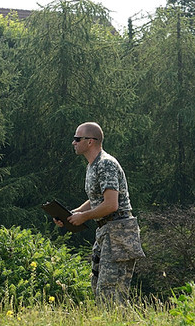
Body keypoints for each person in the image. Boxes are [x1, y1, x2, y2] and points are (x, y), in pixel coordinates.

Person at [54, 122, 145, 304]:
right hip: (107, 232)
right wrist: (72, 214)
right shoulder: (92, 166)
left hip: (119, 233)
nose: (73, 143)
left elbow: (111, 204)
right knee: (99, 289)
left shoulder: (106, 164)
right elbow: (97, 199)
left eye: (77, 139)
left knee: (110, 295)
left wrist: (84, 217)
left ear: (90, 142)